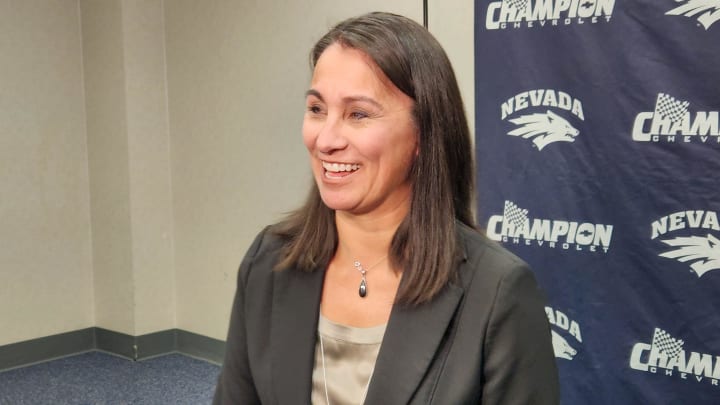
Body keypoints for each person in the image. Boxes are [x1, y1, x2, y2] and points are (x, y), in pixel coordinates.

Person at [213, 11, 559, 405]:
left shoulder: (498, 291)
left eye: (358, 114)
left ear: (423, 135)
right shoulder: (268, 262)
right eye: (316, 109)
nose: (325, 139)